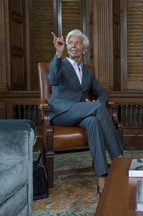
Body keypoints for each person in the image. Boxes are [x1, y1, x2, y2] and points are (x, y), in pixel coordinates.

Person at [48, 29, 123, 196]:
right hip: (61, 112)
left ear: (85, 49)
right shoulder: (61, 63)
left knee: (93, 122)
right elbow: (52, 79)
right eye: (70, 43)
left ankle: (101, 177)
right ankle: (119, 161)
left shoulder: (88, 73)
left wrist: (99, 103)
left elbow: (102, 93)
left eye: (78, 43)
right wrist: (58, 54)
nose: (73, 46)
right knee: (97, 109)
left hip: (80, 113)